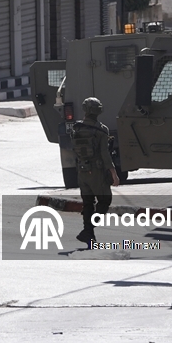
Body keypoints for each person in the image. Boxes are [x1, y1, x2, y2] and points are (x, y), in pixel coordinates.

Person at [71, 97, 120, 245]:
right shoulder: (101, 130)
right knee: (105, 201)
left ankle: (89, 234)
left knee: (88, 203)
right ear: (98, 111)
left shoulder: (76, 128)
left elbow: (74, 150)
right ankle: (88, 230)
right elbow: (105, 155)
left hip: (82, 171)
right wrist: (114, 174)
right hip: (97, 172)